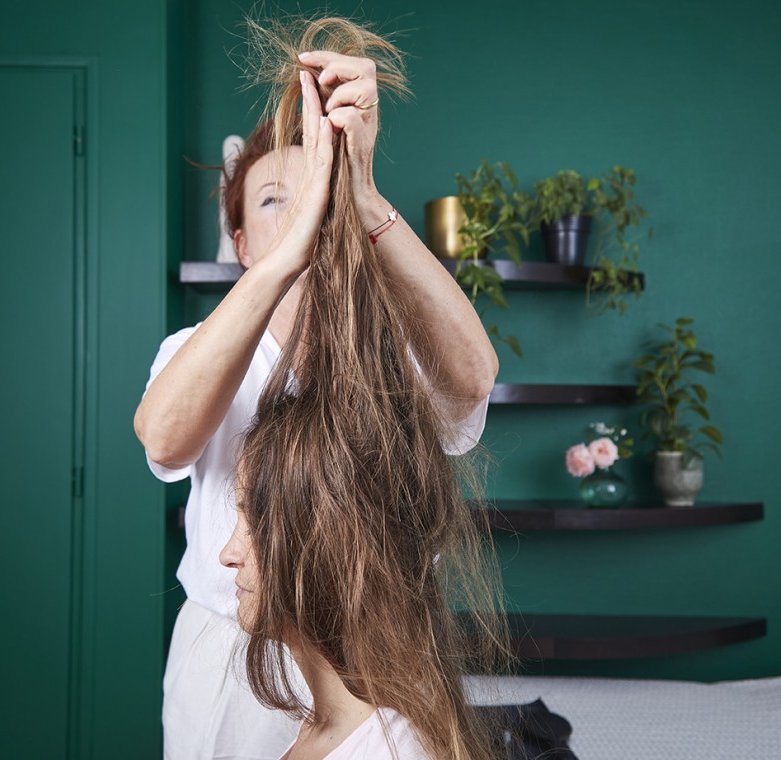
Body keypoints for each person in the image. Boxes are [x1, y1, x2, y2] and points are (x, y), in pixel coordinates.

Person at [134, 16, 499, 760]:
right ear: (236, 243)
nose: (303, 211)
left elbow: (471, 381)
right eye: (273, 201)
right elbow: (164, 437)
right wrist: (281, 266)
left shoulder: (393, 346)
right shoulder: (193, 350)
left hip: (374, 652)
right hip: (234, 644)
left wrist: (361, 194)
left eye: (316, 196)